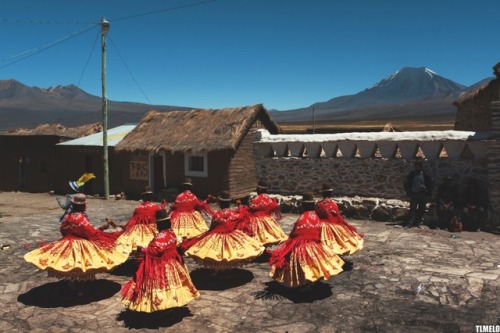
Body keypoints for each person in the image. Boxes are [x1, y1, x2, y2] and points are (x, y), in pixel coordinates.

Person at [24, 193, 128, 293]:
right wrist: (101, 229)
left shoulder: (68, 217)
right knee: (82, 264)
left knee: (73, 263)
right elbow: (90, 233)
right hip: (79, 243)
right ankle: (81, 289)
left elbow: (63, 230)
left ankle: (73, 283)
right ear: (83, 206)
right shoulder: (81, 218)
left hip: (68, 242)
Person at [121, 209, 200, 312]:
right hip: (173, 264)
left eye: (157, 224)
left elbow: (155, 251)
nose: (156, 227)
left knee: (161, 287)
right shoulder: (172, 233)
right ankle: (173, 303)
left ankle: (163, 307)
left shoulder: (159, 237)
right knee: (175, 285)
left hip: (162, 266)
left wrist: (142, 249)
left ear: (160, 224)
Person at [267, 192, 344, 288]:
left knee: (297, 262)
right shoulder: (316, 216)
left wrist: (288, 247)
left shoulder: (302, 217)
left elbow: (295, 234)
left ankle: (303, 281)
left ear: (303, 205)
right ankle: (311, 280)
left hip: (302, 246)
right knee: (314, 264)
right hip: (314, 245)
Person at [180, 190, 265, 270]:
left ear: (220, 203)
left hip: (217, 237)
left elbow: (212, 228)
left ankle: (221, 270)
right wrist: (239, 205)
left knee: (219, 254)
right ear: (229, 203)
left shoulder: (217, 215)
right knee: (230, 253)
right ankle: (227, 270)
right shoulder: (234, 214)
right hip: (232, 236)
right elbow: (241, 215)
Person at [315, 183, 363, 255]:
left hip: (320, 227)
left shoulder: (318, 204)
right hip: (333, 226)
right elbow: (338, 218)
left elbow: (316, 216)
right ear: (330, 193)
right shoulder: (333, 204)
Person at [114, 186, 163, 255]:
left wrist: (126, 228)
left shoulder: (137, 208)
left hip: (137, 230)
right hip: (151, 230)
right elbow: (159, 220)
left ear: (142, 197)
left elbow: (132, 222)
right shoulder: (155, 207)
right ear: (151, 196)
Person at [244, 181, 287, 247]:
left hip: (258, 222)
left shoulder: (257, 199)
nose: (256, 190)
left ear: (260, 189)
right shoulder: (269, 199)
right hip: (269, 221)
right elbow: (273, 207)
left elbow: (251, 209)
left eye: (257, 189)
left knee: (259, 239)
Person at [402, 160, 433, 228]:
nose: (417, 168)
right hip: (414, 194)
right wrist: (408, 192)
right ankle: (409, 223)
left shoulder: (425, 176)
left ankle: (418, 223)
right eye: (416, 167)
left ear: (421, 167)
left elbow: (430, 185)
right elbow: (406, 184)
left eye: (418, 167)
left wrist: (427, 192)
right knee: (412, 210)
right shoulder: (412, 175)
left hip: (422, 194)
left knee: (421, 210)